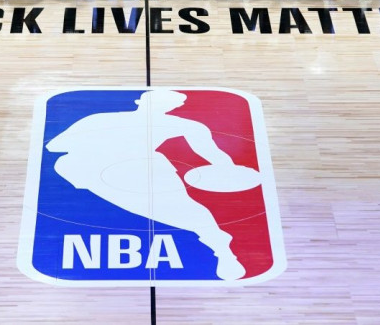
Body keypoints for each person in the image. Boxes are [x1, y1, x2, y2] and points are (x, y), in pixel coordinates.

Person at [45, 89, 247, 281]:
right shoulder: (100, 120)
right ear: (140, 102)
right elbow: (55, 146)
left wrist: (229, 171)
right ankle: (219, 245)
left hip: (145, 170)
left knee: (187, 210)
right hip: (99, 170)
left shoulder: (184, 125)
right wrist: (103, 142)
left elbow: (214, 155)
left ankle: (223, 251)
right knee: (173, 211)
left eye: (166, 104)